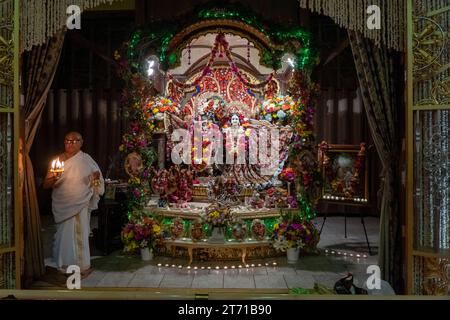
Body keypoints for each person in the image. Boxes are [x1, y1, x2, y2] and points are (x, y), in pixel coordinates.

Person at [43, 131, 104, 277]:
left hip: (80, 202)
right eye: (67, 141)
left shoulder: (86, 159)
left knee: (80, 234)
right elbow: (46, 184)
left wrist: (95, 179)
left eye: (74, 141)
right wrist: (55, 177)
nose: (70, 144)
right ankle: (63, 263)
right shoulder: (57, 160)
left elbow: (97, 182)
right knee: (63, 235)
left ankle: (81, 266)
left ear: (81, 142)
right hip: (63, 203)